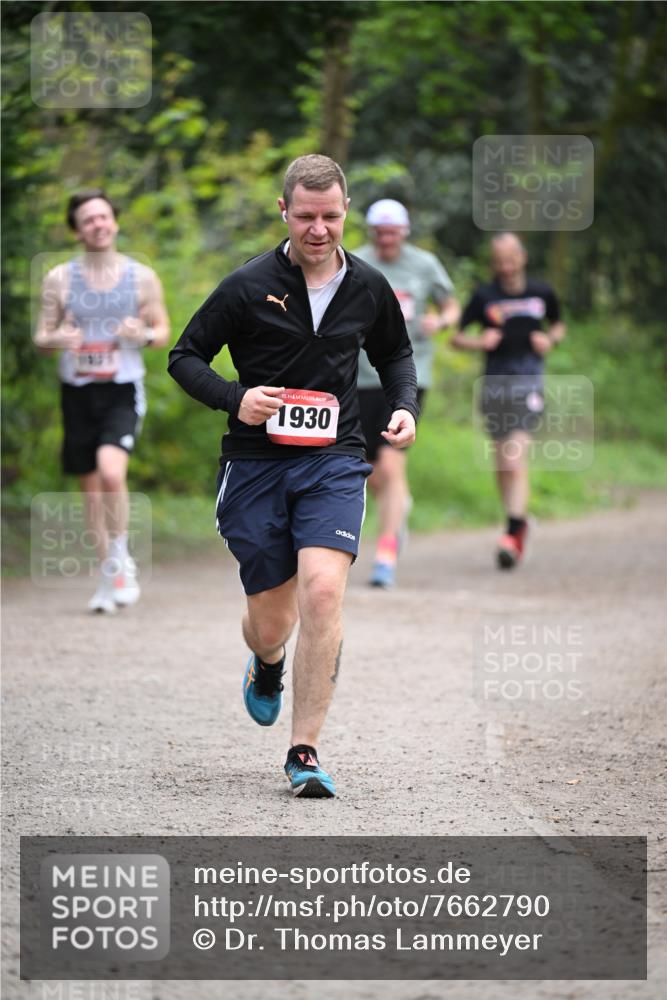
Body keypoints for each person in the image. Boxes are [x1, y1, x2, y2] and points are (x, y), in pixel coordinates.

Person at [168, 155, 418, 798]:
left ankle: (304, 751)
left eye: (331, 216)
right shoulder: (247, 285)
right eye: (305, 216)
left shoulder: (367, 285)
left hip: (334, 458)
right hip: (255, 464)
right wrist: (234, 398)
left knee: (324, 593)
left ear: (345, 213)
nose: (318, 229)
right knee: (272, 623)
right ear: (284, 212)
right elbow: (184, 356)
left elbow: (395, 354)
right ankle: (267, 662)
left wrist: (405, 408)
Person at [34, 189, 171, 612]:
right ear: (76, 230)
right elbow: (41, 336)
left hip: (121, 389)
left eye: (103, 216)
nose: (97, 224)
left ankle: (121, 562)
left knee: (112, 475)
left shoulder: (140, 276)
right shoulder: (59, 277)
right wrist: (59, 338)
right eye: (88, 219)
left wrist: (142, 335)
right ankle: (110, 574)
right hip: (76, 391)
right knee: (90, 490)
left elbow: (162, 330)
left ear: (114, 222)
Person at [354, 199, 460, 588]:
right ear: (370, 232)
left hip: (410, 375)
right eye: (379, 233)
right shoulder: (353, 261)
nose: (386, 240)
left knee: (392, 463)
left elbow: (451, 306)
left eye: (393, 232)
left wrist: (442, 319)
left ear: (405, 231)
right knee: (366, 469)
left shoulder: (424, 264)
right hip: (357, 377)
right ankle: (398, 509)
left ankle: (385, 553)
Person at [452, 232, 565, 568]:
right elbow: (456, 337)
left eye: (510, 258)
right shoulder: (484, 296)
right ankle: (517, 523)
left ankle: (512, 533)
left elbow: (559, 325)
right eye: (499, 260)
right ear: (493, 262)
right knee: (503, 462)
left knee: (514, 459)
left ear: (522, 257)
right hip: (494, 384)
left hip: (529, 381)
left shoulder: (541, 292)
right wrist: (478, 341)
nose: (505, 266)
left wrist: (550, 339)